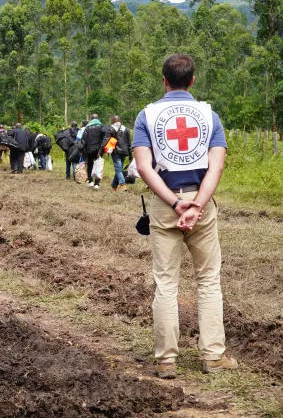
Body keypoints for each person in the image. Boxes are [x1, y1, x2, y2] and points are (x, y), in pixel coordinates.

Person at [133, 53, 237, 379]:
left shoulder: (146, 116)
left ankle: (166, 360)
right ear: (193, 80)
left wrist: (177, 204)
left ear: (164, 80)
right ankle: (214, 357)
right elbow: (216, 165)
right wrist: (197, 205)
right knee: (208, 281)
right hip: (202, 205)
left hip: (166, 205)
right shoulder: (210, 115)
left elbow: (143, 167)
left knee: (166, 282)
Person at [82, 114, 109, 189]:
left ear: (91, 119)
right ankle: (97, 183)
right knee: (98, 165)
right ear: (98, 119)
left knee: (90, 165)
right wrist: (102, 149)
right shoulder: (102, 127)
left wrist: (81, 149)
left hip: (89, 150)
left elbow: (84, 140)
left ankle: (90, 181)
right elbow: (105, 139)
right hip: (99, 150)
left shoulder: (87, 128)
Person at [108, 115, 132, 192]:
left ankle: (122, 184)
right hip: (125, 151)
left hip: (116, 151)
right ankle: (114, 186)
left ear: (113, 120)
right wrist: (130, 154)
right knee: (119, 169)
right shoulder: (126, 129)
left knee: (118, 169)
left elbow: (107, 140)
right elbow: (129, 142)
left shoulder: (111, 128)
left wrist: (103, 151)